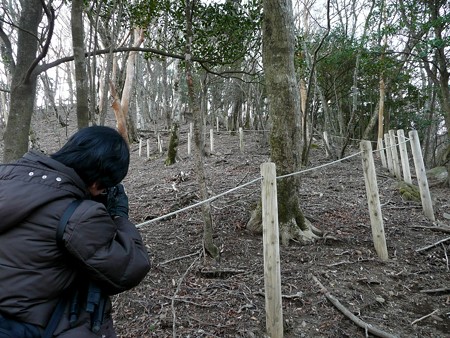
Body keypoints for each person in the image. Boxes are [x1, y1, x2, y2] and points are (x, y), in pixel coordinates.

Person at [0, 125, 151, 337]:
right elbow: (129, 267)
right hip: (34, 323)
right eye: (104, 187)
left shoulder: (7, 177)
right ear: (97, 182)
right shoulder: (77, 214)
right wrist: (119, 216)